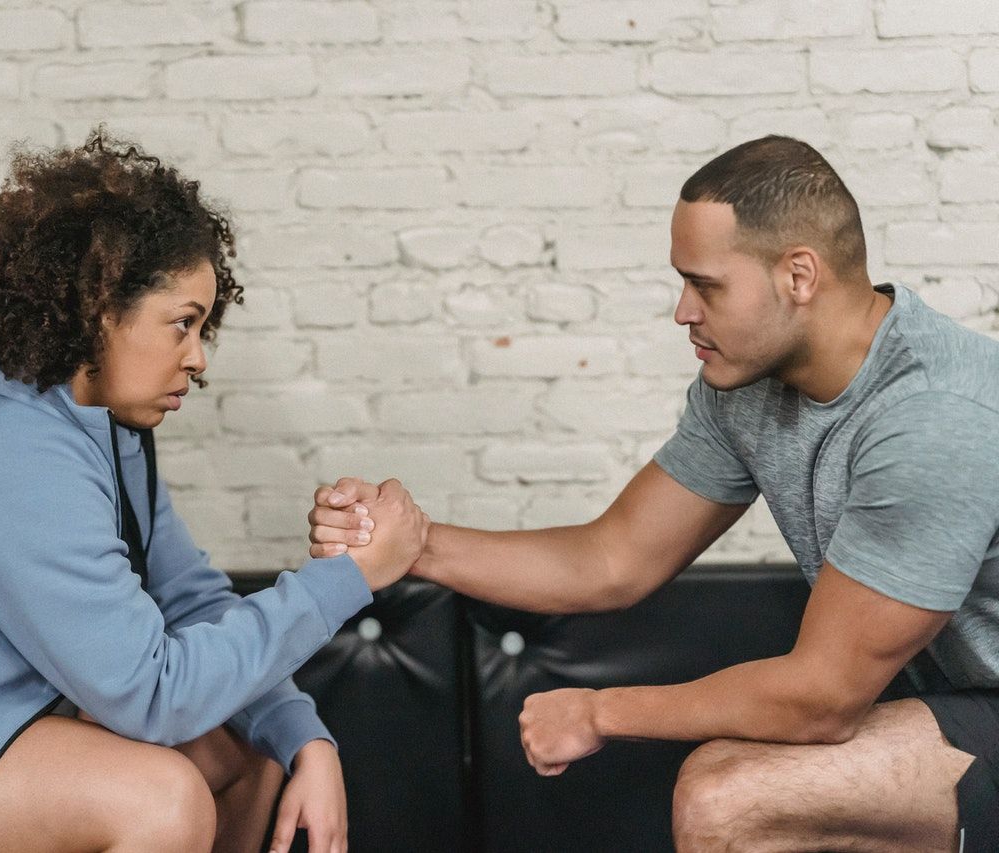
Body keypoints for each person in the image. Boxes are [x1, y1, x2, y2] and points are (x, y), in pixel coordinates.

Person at [0, 131, 429, 853]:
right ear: (96, 308)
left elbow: (186, 600)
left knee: (240, 751)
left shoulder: (95, 427)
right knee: (160, 798)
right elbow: (152, 693)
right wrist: (348, 578)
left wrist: (300, 733)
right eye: (182, 323)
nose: (199, 356)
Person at [310, 136, 999, 852]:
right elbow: (612, 559)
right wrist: (408, 541)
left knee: (729, 796)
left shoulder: (932, 416)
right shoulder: (745, 389)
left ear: (799, 275)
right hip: (956, 703)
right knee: (737, 781)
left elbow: (820, 698)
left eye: (707, 285)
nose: (683, 311)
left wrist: (600, 711)